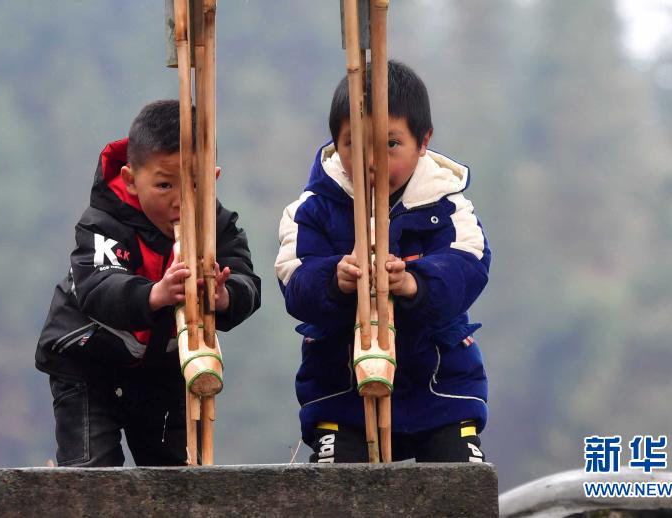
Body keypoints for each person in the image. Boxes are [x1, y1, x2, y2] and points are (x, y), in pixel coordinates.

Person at [275, 60, 490, 463]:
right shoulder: (310, 211)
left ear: (423, 141)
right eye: (354, 145)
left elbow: (469, 267)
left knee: (461, 484)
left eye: (390, 145)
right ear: (336, 142)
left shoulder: (448, 205)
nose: (371, 161)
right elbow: (294, 281)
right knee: (338, 486)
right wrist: (334, 279)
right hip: (342, 397)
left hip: (442, 392)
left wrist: (414, 283)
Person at [36, 100, 261, 466]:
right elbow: (98, 288)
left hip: (162, 368)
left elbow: (245, 280)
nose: (180, 200)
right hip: (89, 364)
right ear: (130, 179)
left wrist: (223, 296)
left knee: (177, 473)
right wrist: (156, 293)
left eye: (195, 183)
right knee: (93, 476)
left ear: (214, 176)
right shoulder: (103, 222)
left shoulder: (217, 226)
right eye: (164, 185)